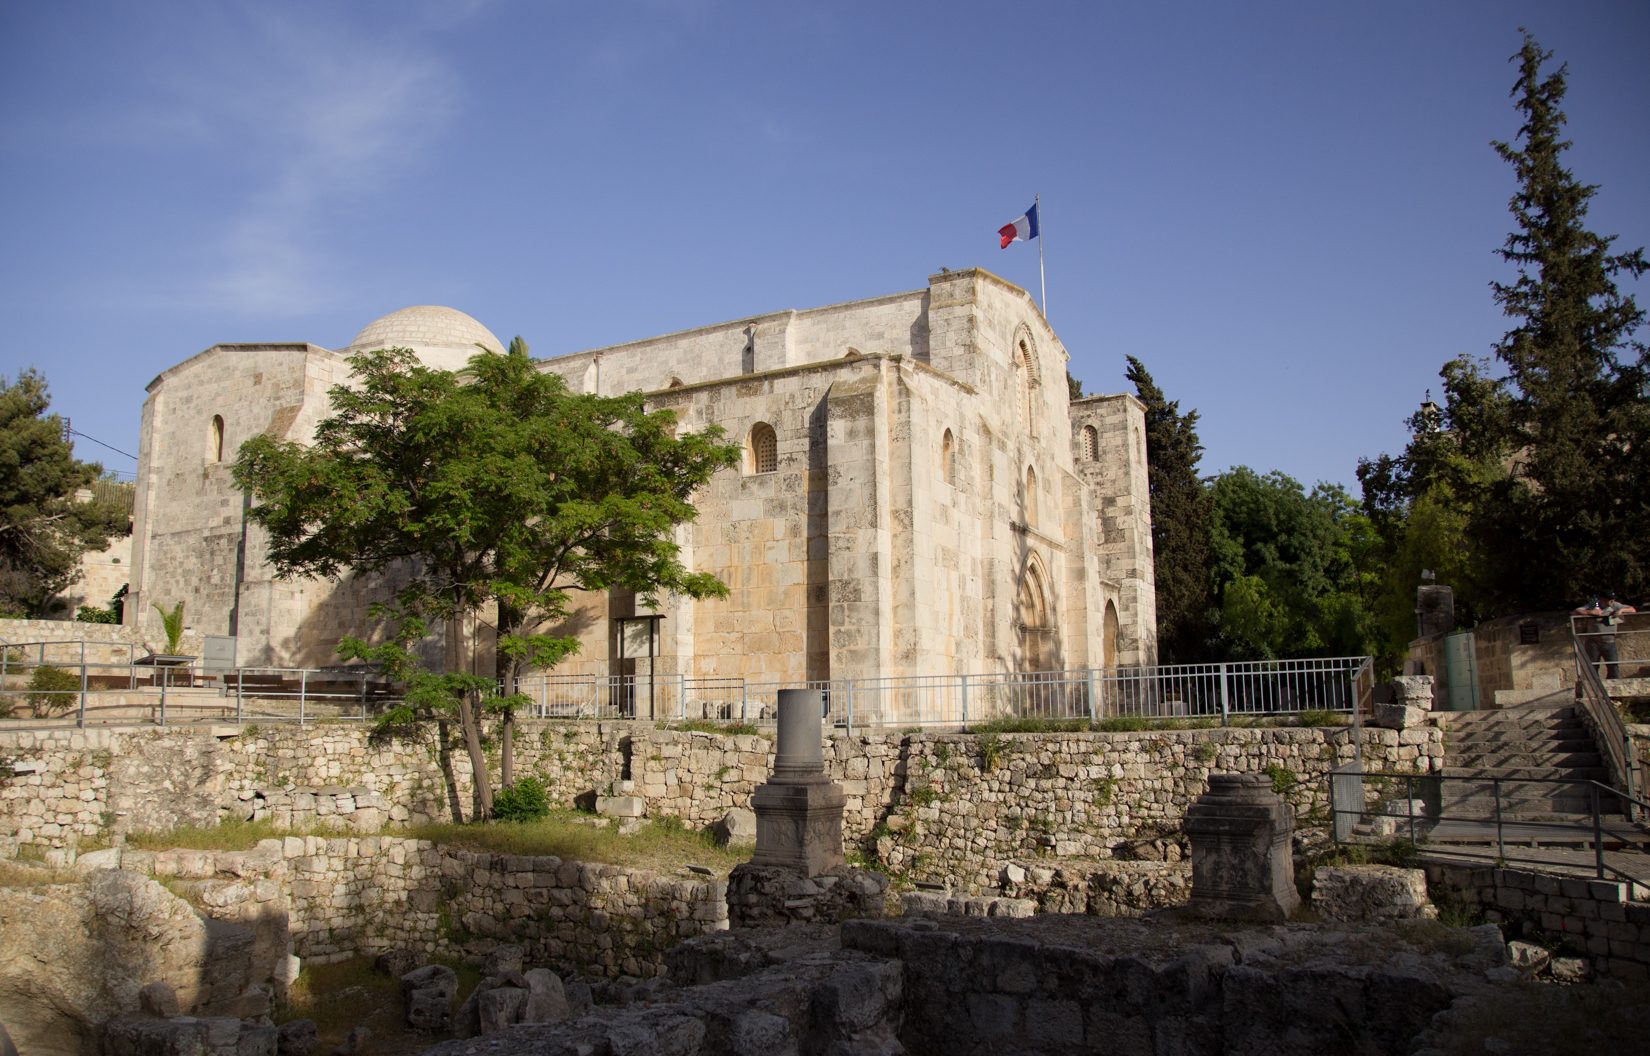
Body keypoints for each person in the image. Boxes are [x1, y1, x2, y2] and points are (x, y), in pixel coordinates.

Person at [1574, 591, 1637, 680]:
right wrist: (1590, 612)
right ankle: (1595, 688)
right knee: (1592, 667)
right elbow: (1577, 610)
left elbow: (1632, 610)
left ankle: (1612, 686)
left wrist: (1621, 610)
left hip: (1609, 641)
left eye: (1612, 600)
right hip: (1593, 641)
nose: (1611, 602)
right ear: (1602, 599)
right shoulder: (1594, 605)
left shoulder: (1614, 605)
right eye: (1609, 600)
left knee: (1613, 668)